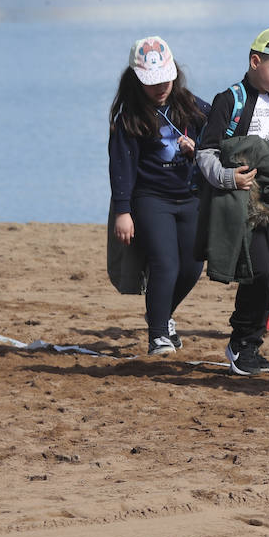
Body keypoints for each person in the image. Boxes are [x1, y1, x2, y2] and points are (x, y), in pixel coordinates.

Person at [195, 28, 269, 376]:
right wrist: (231, 179)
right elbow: (205, 152)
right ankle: (239, 344)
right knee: (257, 273)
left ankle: (252, 346)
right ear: (255, 61)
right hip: (242, 207)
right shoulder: (229, 100)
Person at [108, 37, 209, 355]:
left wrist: (200, 149)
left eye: (165, 79)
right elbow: (121, 166)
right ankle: (157, 337)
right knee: (165, 264)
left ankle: (162, 317)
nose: (160, 87)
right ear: (137, 80)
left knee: (192, 267)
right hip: (151, 199)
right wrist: (123, 211)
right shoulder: (129, 117)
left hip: (190, 197)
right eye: (152, 82)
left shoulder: (191, 106)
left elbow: (219, 132)